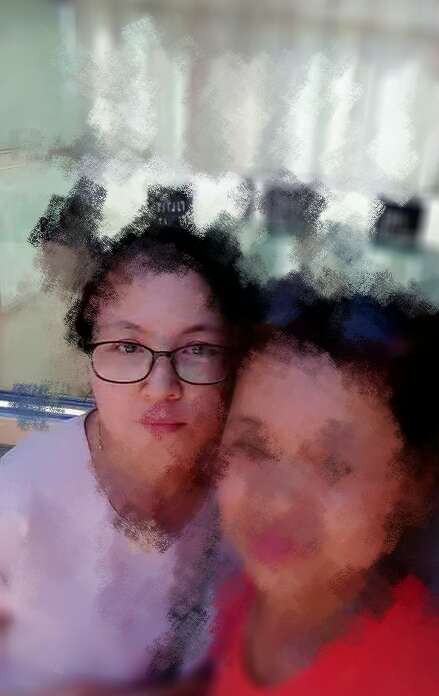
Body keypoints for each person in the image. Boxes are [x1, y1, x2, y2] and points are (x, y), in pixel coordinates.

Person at [0, 218, 262, 694]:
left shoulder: (253, 497)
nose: (161, 387)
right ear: (90, 359)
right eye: (127, 346)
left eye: (198, 348)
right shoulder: (16, 500)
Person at [210, 287, 439, 695]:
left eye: (333, 465)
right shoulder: (225, 598)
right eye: (253, 447)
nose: (278, 499)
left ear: (411, 486)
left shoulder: (419, 673)